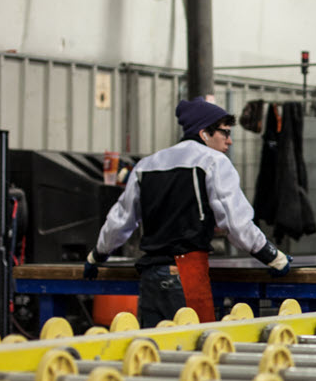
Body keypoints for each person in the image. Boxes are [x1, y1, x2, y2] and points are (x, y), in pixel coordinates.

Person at [83, 98, 291, 326]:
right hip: (186, 272)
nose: (229, 141)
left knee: (155, 352)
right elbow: (236, 223)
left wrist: (98, 255)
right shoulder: (213, 162)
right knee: (195, 350)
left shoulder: (147, 165)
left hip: (150, 277)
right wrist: (272, 256)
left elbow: (120, 220)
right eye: (225, 133)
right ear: (204, 133)